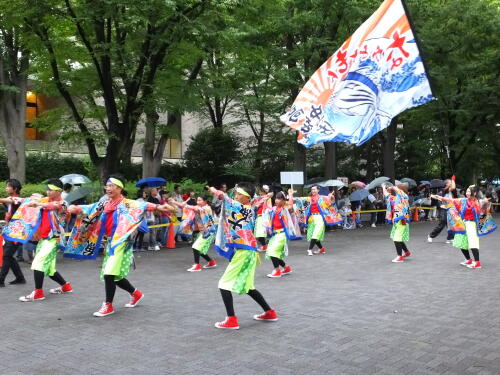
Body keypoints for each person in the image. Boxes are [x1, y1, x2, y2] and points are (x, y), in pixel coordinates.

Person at [66, 175, 175, 317]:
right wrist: (77, 208)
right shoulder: (105, 204)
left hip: (121, 242)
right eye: (107, 186)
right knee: (115, 276)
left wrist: (159, 206)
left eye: (112, 186)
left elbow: (142, 205)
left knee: (109, 273)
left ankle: (108, 305)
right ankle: (136, 294)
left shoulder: (127, 203)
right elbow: (90, 208)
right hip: (110, 242)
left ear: (120, 188)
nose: (108, 188)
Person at [209, 182, 277, 330]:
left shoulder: (238, 206)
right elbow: (262, 198)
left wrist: (214, 189)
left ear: (246, 198)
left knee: (224, 284)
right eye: (237, 193)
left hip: (245, 250)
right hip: (249, 249)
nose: (236, 195)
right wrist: (267, 194)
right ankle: (269, 312)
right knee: (248, 286)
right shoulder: (250, 206)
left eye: (240, 194)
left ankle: (231, 319)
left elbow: (223, 196)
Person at [2, 179, 73, 301]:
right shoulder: (45, 200)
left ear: (59, 191)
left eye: (51, 190)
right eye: (47, 189)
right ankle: (66, 286)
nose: (48, 192)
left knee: (38, 264)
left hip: (53, 239)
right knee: (50, 269)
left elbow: (54, 206)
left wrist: (38, 204)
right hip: (44, 239)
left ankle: (38, 293)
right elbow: (21, 200)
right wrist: (22, 200)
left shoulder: (63, 203)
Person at [432, 185, 497, 269]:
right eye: (467, 191)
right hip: (464, 223)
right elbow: (451, 200)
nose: (467, 193)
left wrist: (484, 203)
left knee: (473, 242)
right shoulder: (463, 201)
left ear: (475, 193)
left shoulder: (478, 202)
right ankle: (468, 259)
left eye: (469, 191)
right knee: (460, 241)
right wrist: (439, 197)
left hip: (473, 225)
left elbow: (483, 211)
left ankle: (477, 263)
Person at [290, 185, 343, 255]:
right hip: (311, 219)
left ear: (318, 190)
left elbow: (331, 201)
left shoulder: (322, 198)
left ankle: (309, 249)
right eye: (312, 189)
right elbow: (297, 200)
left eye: (314, 189)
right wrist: (290, 195)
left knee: (316, 234)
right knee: (313, 235)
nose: (313, 191)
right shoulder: (308, 199)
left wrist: (331, 196)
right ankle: (322, 249)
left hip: (319, 218)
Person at [170, 195, 217, 272]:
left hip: (208, 231)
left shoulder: (206, 208)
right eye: (197, 200)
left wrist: (186, 205)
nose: (198, 202)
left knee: (195, 247)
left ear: (205, 201)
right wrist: (174, 202)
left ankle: (197, 266)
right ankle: (211, 262)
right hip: (204, 231)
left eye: (200, 200)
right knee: (199, 249)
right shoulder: (199, 208)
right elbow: (184, 207)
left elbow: (194, 208)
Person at [264, 190, 301, 278]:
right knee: (272, 252)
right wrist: (266, 199)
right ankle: (286, 268)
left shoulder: (285, 209)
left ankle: (277, 271)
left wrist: (290, 195)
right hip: (275, 234)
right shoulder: (273, 209)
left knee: (273, 252)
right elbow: (265, 210)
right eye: (276, 198)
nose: (277, 200)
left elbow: (291, 206)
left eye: (280, 199)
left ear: (284, 200)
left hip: (281, 234)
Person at [0, 179, 26, 287]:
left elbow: (11, 201)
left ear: (14, 189)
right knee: (8, 256)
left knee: (6, 255)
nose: (6, 188)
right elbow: (7, 202)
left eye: (8, 186)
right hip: (10, 230)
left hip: (18, 232)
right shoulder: (9, 200)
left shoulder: (18, 200)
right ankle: (20, 278)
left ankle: (1, 280)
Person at [383, 183, 412, 263]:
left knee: (397, 238)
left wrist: (393, 187)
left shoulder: (404, 196)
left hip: (401, 220)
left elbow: (399, 191)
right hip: (397, 220)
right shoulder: (396, 198)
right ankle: (406, 252)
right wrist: (384, 188)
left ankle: (399, 257)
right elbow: (387, 195)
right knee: (397, 237)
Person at [427, 177, 457, 244]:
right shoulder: (444, 190)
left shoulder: (451, 192)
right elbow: (453, 187)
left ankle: (450, 238)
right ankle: (430, 236)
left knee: (450, 224)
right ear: (446, 184)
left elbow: (453, 187)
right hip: (443, 209)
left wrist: (452, 180)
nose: (451, 184)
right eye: (450, 182)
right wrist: (453, 179)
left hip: (450, 209)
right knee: (442, 222)